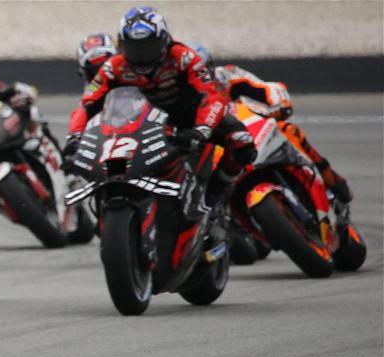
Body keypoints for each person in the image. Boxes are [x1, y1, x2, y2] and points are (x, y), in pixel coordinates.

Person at [62, 8, 255, 208]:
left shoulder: (184, 57)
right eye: (134, 49)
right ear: (122, 46)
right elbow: (87, 103)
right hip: (143, 124)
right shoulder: (113, 67)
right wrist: (74, 137)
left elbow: (212, 97)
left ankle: (216, 193)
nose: (142, 57)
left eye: (149, 48)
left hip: (189, 120)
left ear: (164, 41)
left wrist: (201, 129)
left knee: (242, 142)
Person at [194, 44, 351, 203]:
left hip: (250, 131)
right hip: (217, 146)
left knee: (288, 131)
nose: (198, 77)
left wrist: (278, 106)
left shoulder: (227, 75)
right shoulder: (184, 98)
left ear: (210, 67)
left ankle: (330, 180)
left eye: (201, 71)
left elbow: (269, 89)